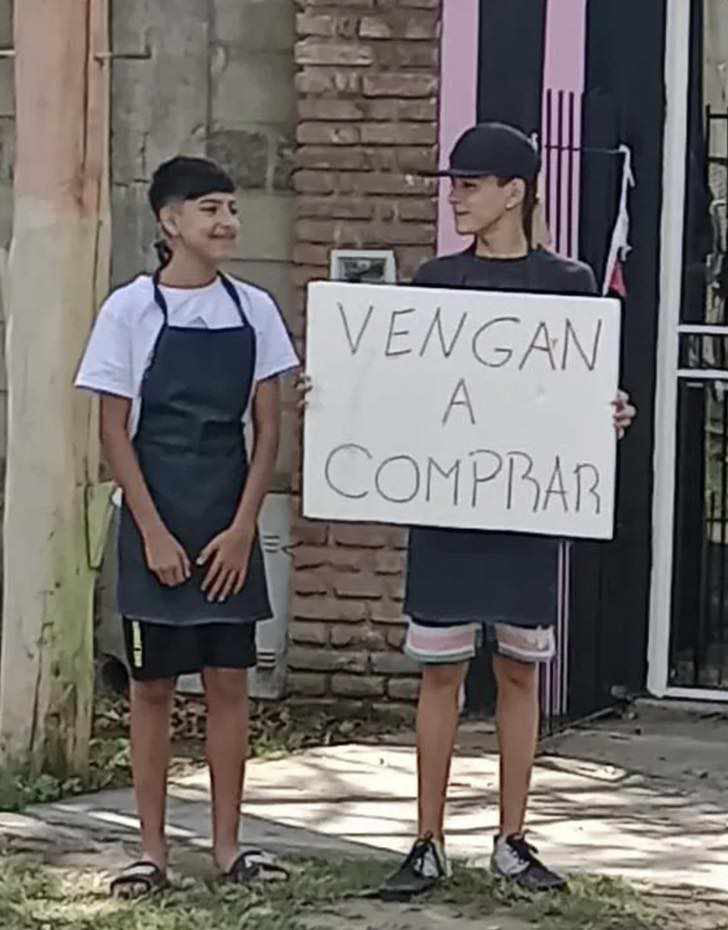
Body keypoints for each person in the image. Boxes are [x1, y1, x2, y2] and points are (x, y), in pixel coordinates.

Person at [298, 122, 635, 897]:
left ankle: (513, 837)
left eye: (471, 183)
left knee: (519, 670)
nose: (456, 196)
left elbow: (576, 394)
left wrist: (604, 415)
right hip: (447, 504)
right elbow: (400, 389)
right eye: (454, 183)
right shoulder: (435, 281)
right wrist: (336, 400)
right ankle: (426, 839)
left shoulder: (570, 283)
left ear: (514, 191)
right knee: (440, 672)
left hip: (522, 509)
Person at [75, 156, 299, 898]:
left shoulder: (256, 310)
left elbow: (267, 430)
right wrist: (152, 533)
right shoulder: (129, 311)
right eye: (210, 209)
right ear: (170, 223)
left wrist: (242, 531)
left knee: (230, 683)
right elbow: (112, 432)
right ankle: (151, 852)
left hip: (225, 521)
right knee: (152, 690)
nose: (227, 223)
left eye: (232, 208)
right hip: (156, 524)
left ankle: (230, 848)